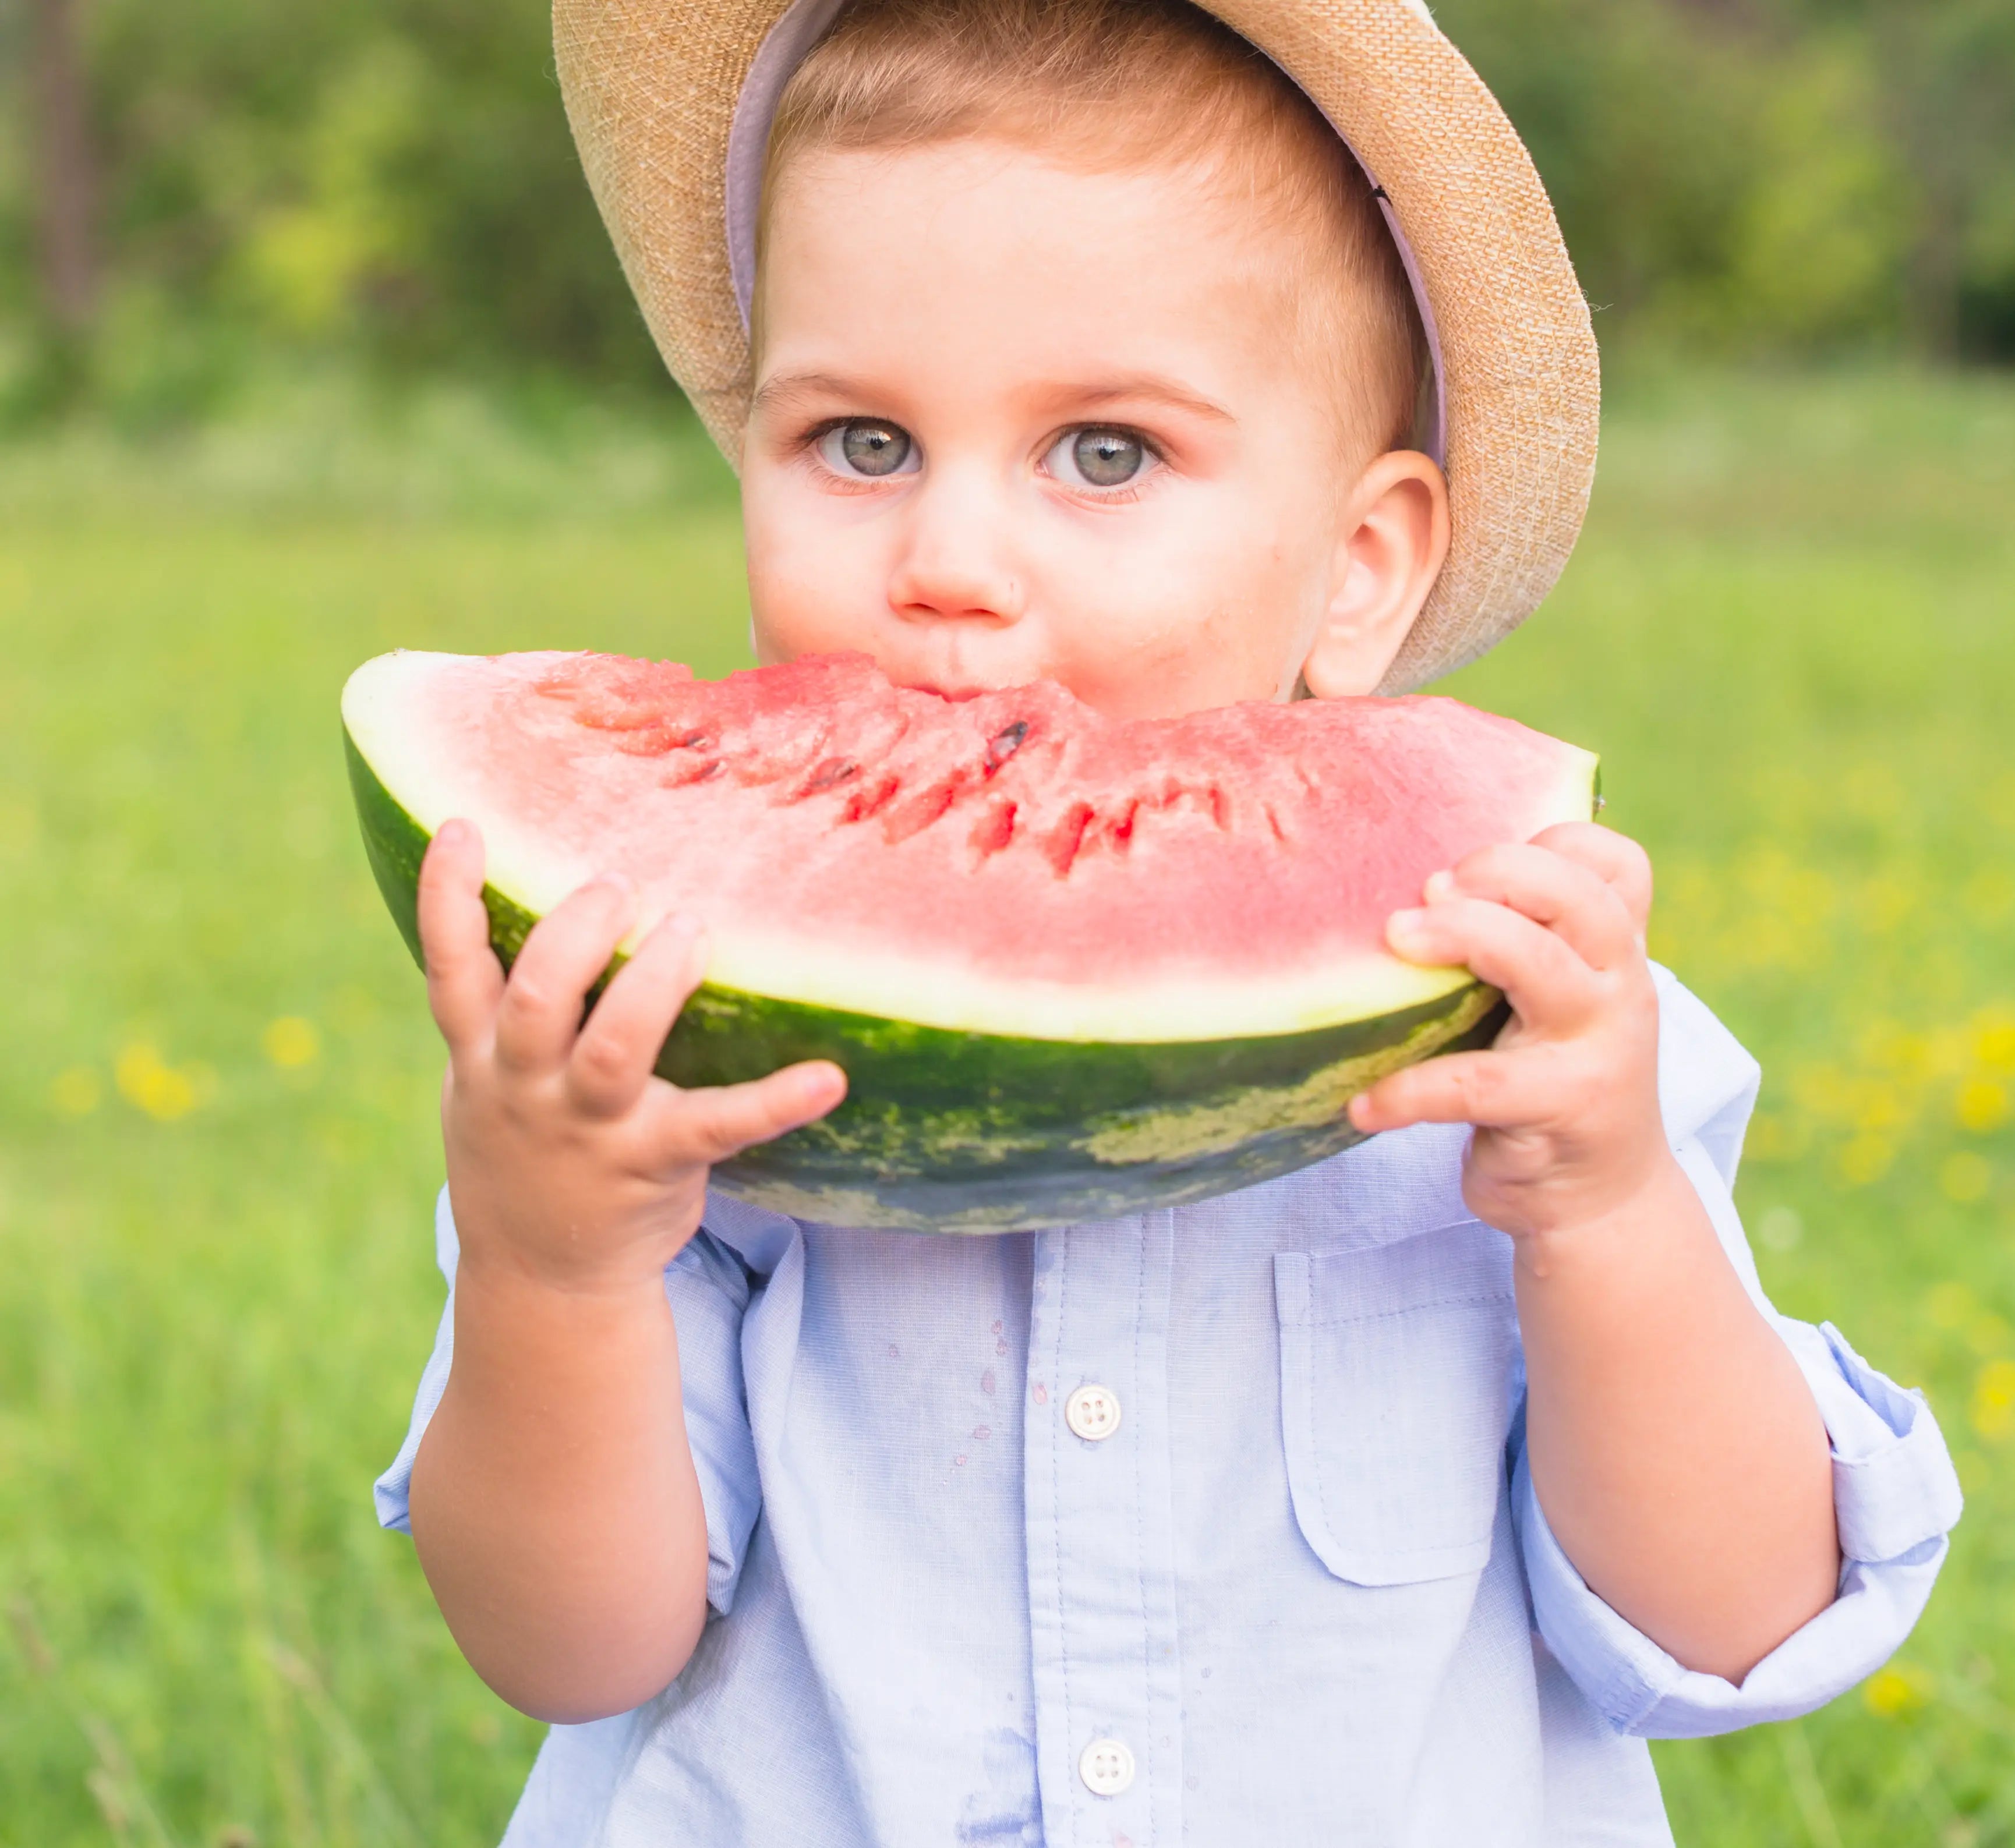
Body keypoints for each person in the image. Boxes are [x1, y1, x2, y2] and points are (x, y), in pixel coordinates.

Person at [374, 0, 1963, 1840]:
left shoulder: (1541, 1046)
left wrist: (1607, 1217)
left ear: (1357, 566)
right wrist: (554, 1267)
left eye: (1105, 454)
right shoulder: (665, 1059)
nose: (949, 566)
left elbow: (1732, 1623)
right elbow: (569, 1650)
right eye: (861, 442)